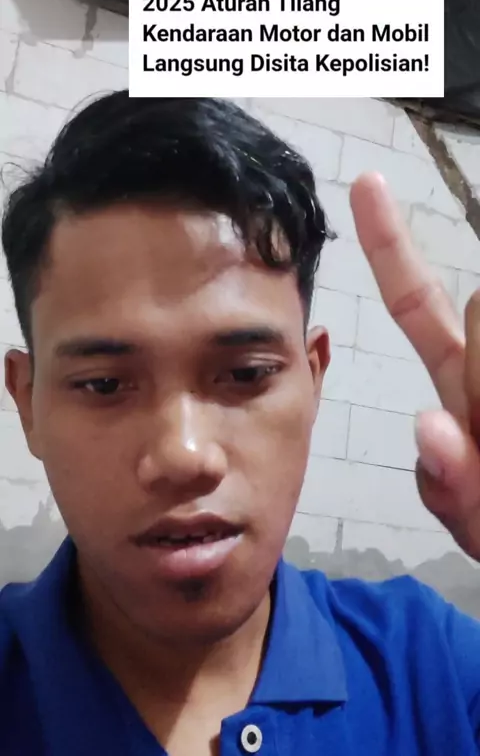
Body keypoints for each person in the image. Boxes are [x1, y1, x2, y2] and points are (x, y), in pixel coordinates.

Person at [0, 93, 479, 756]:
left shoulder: (435, 672)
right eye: (105, 384)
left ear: (313, 378)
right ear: (27, 402)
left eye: (246, 374)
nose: (184, 454)